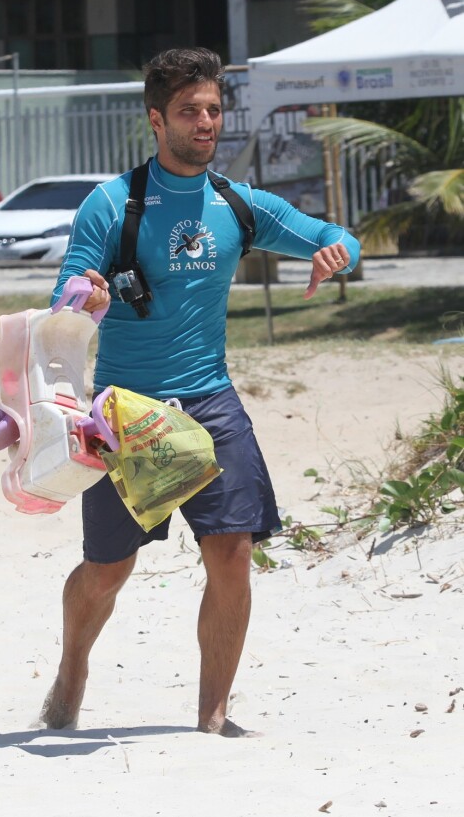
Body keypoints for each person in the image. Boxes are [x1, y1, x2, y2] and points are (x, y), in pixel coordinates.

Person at [40, 47, 360, 737]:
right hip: (128, 413)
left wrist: (341, 251)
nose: (206, 121)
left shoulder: (237, 204)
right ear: (157, 119)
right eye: (190, 110)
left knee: (233, 553)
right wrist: (86, 290)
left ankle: (213, 715)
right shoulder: (111, 204)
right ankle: (73, 668)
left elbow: (333, 234)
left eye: (214, 108)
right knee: (106, 569)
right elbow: (62, 295)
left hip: (212, 402)